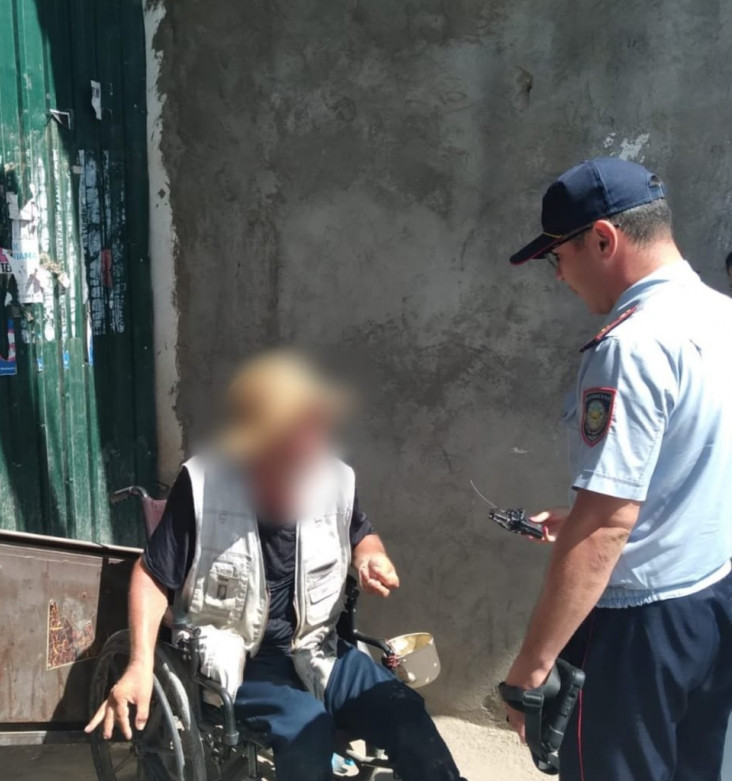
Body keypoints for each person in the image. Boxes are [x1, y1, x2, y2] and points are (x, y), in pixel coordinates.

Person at [86, 350, 465, 781]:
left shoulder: (334, 478)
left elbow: (361, 533)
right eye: (282, 462)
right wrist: (139, 665)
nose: (299, 476)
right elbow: (151, 575)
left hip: (318, 648)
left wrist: (370, 556)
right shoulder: (204, 484)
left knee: (405, 713)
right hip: (241, 659)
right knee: (307, 732)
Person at [504, 158, 732, 780]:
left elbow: (607, 527)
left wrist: (532, 666)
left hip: (638, 628)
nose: (559, 276)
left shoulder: (631, 345)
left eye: (557, 257)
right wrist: (585, 513)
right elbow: (695, 463)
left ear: (603, 239)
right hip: (712, 598)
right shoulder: (720, 315)